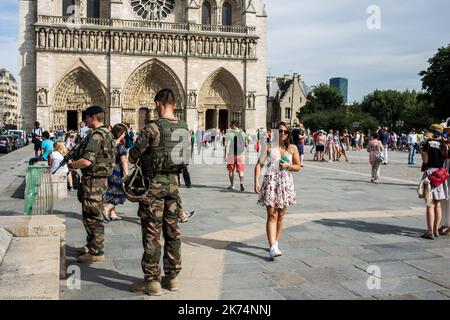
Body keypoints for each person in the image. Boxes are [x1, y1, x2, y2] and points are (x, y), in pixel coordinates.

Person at [128, 89, 190, 296]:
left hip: (153, 187)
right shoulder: (184, 128)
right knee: (173, 233)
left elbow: (133, 156)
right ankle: (172, 278)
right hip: (174, 187)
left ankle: (153, 281)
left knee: (152, 235)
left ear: (157, 103)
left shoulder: (152, 128)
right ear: (174, 104)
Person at [68, 106, 115, 263]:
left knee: (93, 216)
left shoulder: (96, 136)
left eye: (86, 117)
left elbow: (87, 161)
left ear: (92, 117)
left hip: (94, 181)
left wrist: (72, 165)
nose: (84, 120)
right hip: (100, 180)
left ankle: (96, 251)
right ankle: (91, 245)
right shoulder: (107, 132)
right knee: (91, 214)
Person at [254, 122, 301, 259]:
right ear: (276, 132)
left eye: (285, 132)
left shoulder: (292, 148)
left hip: (285, 183)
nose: (282, 134)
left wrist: (288, 165)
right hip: (271, 182)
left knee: (281, 215)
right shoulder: (269, 147)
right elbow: (259, 164)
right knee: (272, 215)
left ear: (289, 134)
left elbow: (298, 166)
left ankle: (275, 242)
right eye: (280, 131)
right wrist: (256, 180)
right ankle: (273, 247)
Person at [419, 124, 449, 239]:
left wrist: (422, 152)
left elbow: (426, 160)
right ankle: (436, 230)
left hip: (430, 174)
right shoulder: (444, 144)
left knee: (430, 204)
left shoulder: (428, 143)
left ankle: (430, 231)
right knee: (438, 204)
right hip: (440, 174)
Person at [104, 124, 129, 222]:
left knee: (111, 192)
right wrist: (127, 174)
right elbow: (124, 161)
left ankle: (113, 214)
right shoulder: (119, 146)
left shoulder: (108, 144)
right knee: (120, 194)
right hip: (117, 172)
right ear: (121, 134)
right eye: (124, 133)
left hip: (108, 171)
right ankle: (106, 208)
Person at [225, 121, 246, 191]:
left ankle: (232, 185)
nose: (230, 126)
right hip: (240, 155)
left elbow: (227, 145)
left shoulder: (230, 134)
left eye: (230, 124)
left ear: (233, 125)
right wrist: (243, 153)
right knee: (241, 171)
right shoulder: (243, 133)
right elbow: (246, 145)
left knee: (231, 171)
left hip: (231, 154)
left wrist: (226, 155)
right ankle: (241, 182)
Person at [439, 119, 450, 236]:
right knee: (445, 198)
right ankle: (445, 223)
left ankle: (447, 223)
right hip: (445, 170)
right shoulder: (445, 142)